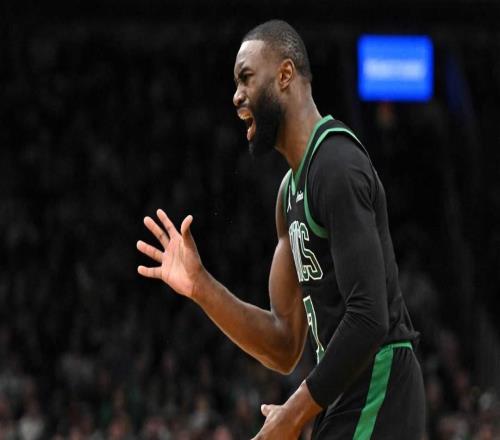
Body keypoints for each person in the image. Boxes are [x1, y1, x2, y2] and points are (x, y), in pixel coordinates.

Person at [136, 20, 425, 440]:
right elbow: (284, 344)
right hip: (344, 392)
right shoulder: (289, 194)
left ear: (285, 74)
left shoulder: (337, 166)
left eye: (246, 78)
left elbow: (369, 318)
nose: (236, 96)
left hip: (379, 386)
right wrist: (201, 286)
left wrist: (292, 415)